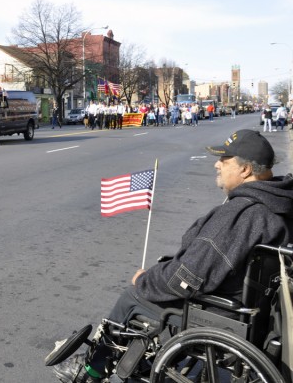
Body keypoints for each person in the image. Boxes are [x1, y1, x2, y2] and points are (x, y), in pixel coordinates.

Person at [52, 129, 293, 383]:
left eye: (224, 160)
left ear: (245, 170)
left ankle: (91, 370)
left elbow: (186, 278)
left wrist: (145, 279)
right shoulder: (278, 205)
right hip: (253, 313)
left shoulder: (241, 215)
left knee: (132, 296)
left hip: (221, 314)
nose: (217, 164)